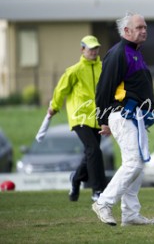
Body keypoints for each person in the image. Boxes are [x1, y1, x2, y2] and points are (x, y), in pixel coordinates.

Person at [92, 12, 154, 226]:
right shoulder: (119, 53)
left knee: (138, 163)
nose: (144, 30)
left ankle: (130, 214)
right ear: (126, 31)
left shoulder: (135, 52)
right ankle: (103, 202)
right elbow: (103, 88)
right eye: (139, 27)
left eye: (145, 27)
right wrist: (103, 119)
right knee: (134, 163)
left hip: (135, 116)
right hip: (122, 113)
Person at [48, 35, 107, 202]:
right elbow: (61, 90)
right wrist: (54, 107)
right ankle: (98, 191)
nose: (94, 51)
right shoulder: (74, 70)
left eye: (96, 48)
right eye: (91, 48)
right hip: (79, 117)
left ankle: (75, 178)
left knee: (90, 153)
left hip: (97, 117)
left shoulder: (103, 67)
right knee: (94, 150)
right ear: (82, 50)